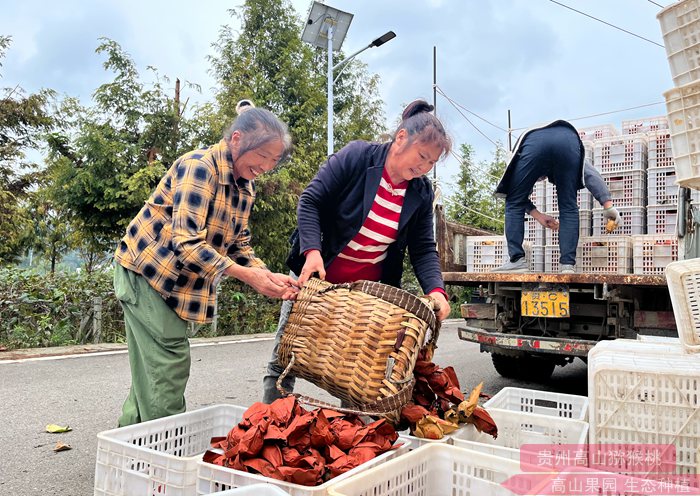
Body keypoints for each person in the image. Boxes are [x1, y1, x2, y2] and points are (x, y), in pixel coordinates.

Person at [114, 100, 300, 426]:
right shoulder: (200, 168)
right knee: (167, 367)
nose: (266, 166)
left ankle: (128, 453)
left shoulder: (245, 187)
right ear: (237, 139)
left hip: (174, 282)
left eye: (274, 160)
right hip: (148, 274)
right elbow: (185, 242)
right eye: (262, 156)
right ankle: (163, 460)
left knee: (151, 373)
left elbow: (238, 243)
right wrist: (247, 276)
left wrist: (265, 275)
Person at [261, 99, 452, 404]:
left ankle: (352, 434)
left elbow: (423, 248)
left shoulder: (420, 191)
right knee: (286, 355)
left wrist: (436, 290)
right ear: (401, 138)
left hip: (366, 293)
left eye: (432, 162)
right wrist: (312, 251)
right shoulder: (358, 157)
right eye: (422, 156)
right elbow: (311, 200)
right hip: (318, 278)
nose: (424, 167)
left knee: (355, 366)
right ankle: (271, 418)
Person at [493, 119, 621, 274]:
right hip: (568, 140)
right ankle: (567, 266)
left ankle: (516, 260)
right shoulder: (563, 140)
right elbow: (590, 174)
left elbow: (515, 197)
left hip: (535, 144)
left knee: (513, 202)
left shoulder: (519, 154)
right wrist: (608, 206)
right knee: (568, 207)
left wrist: (533, 212)